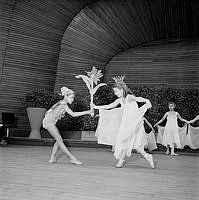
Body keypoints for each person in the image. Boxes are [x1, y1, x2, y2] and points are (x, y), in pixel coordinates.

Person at [94, 76, 154, 168]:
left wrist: (146, 100)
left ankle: (142, 158)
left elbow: (138, 98)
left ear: (122, 89)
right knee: (126, 142)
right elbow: (109, 106)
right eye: (114, 92)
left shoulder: (129, 97)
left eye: (116, 91)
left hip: (133, 124)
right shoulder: (120, 100)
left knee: (133, 144)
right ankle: (127, 160)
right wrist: (95, 107)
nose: (115, 93)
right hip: (126, 124)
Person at [43, 86, 93, 165]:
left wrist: (52, 116)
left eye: (73, 98)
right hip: (49, 122)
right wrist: (88, 112)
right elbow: (73, 114)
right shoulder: (63, 104)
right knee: (59, 139)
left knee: (58, 140)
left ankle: (52, 158)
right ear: (66, 96)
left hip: (49, 121)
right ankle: (72, 158)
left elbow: (49, 110)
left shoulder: (61, 102)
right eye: (71, 98)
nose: (72, 100)